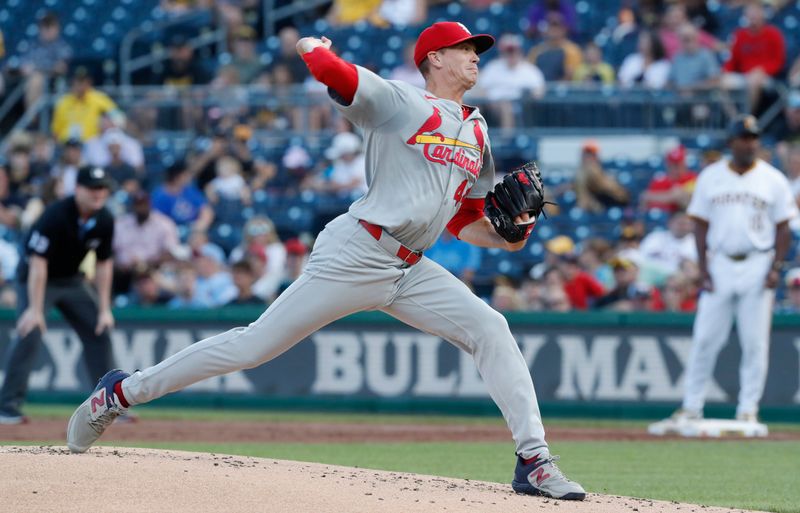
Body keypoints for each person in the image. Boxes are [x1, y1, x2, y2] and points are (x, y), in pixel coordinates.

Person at [66, 21, 586, 501]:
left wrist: (513, 235)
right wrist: (312, 47)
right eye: (465, 49)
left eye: (477, 50)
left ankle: (533, 461)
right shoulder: (402, 102)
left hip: (409, 268)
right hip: (357, 252)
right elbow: (330, 72)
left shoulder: (477, 131)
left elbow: (464, 220)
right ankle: (120, 392)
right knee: (253, 346)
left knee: (491, 326)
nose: (476, 57)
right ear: (435, 58)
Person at [668, 115, 798, 424]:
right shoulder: (712, 176)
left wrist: (776, 267)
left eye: (753, 137)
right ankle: (691, 406)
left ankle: (748, 409)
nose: (749, 142)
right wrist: (703, 267)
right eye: (743, 137)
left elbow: (784, 229)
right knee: (705, 338)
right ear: (731, 142)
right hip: (721, 262)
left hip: (758, 261)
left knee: (755, 342)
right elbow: (700, 224)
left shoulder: (773, 178)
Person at [0, 166, 117, 424]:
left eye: (102, 188)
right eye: (92, 188)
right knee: (30, 329)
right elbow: (38, 264)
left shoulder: (105, 219)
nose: (98, 193)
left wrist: (104, 309)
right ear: (78, 189)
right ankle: (7, 407)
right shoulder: (56, 215)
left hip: (72, 280)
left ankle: (110, 405)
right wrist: (34, 308)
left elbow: (104, 264)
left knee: (99, 328)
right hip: (35, 278)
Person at [476, 33, 545, 130]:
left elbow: (539, 91)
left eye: (514, 51)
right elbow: (481, 90)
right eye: (509, 51)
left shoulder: (529, 70)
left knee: (506, 107)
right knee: (474, 106)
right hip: (493, 104)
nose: (512, 54)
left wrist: (528, 98)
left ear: (520, 52)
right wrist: (487, 100)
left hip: (520, 105)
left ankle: (506, 141)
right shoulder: (494, 66)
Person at [51, 67, 119, 143]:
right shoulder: (63, 102)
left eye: (83, 81)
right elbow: (55, 132)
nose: (81, 85)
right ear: (72, 82)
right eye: (78, 81)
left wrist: (109, 126)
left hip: (93, 146)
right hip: (68, 147)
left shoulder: (100, 99)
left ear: (89, 82)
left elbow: (119, 118)